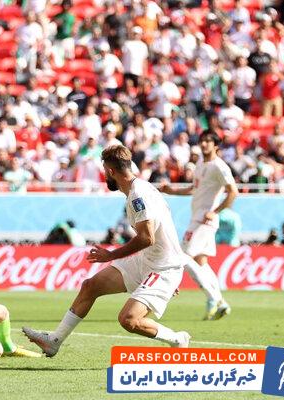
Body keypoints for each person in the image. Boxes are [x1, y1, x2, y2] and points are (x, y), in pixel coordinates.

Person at [23, 145, 190, 357]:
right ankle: (54, 341)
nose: (105, 176)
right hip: (149, 261)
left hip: (163, 268)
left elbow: (147, 238)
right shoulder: (140, 188)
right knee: (90, 286)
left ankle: (177, 339)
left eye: (104, 171)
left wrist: (111, 255)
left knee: (129, 320)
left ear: (110, 171)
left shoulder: (138, 195)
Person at [161, 131, 238, 320]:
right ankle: (220, 302)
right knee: (201, 262)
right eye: (202, 141)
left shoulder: (220, 166)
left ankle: (214, 298)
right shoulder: (201, 164)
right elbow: (194, 189)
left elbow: (233, 192)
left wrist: (215, 211)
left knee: (182, 256)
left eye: (208, 141)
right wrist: (172, 190)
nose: (204, 144)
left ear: (216, 145)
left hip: (204, 220)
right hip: (197, 218)